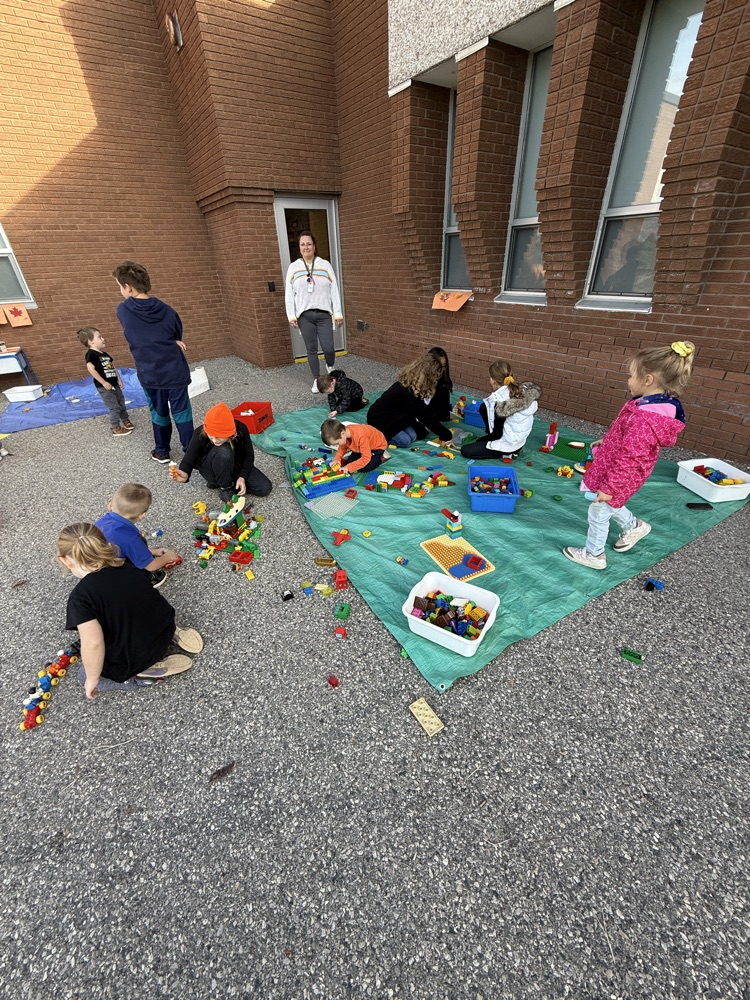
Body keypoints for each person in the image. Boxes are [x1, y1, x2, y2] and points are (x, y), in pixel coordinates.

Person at [562, 340, 696, 571]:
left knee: (599, 509)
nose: (628, 380)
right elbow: (631, 440)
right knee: (611, 504)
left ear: (648, 380)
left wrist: (609, 487)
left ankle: (594, 554)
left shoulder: (646, 418)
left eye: (631, 375)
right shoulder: (652, 405)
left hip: (623, 475)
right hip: (624, 471)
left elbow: (631, 458)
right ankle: (634, 526)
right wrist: (609, 440)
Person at [58, 522, 203, 699]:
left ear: (65, 560)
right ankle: (174, 634)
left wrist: (92, 678)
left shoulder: (80, 599)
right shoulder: (126, 566)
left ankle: (140, 676)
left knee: (83, 674)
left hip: (138, 656)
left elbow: (94, 642)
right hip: (165, 627)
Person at [112, 260, 194, 464]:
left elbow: (138, 334)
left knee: (159, 412)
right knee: (182, 412)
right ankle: (191, 452)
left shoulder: (124, 310)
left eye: (119, 286)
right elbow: (176, 333)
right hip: (175, 370)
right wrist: (172, 340)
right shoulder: (167, 310)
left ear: (127, 287)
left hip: (151, 375)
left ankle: (162, 451)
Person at [173, 402, 272, 501]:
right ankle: (226, 487)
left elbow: (248, 456)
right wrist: (185, 473)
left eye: (219, 437)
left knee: (264, 488)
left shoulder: (241, 429)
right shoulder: (199, 433)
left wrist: (242, 476)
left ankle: (226, 482)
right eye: (211, 436)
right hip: (211, 468)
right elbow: (188, 459)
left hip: (234, 466)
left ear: (230, 433)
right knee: (223, 451)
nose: (215, 440)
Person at [284, 231, 343, 393]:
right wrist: (291, 315)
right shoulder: (294, 268)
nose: (306, 247)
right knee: (311, 349)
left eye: (309, 244)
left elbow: (334, 290)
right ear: (299, 247)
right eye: (303, 244)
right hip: (305, 316)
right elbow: (289, 293)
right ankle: (317, 380)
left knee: (329, 348)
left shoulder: (325, 265)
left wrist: (338, 313)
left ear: (314, 246)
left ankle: (330, 368)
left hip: (324, 315)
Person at [96, 483, 181, 589]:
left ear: (110, 505)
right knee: (140, 543)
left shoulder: (103, 521)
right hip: (111, 573)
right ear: (142, 515)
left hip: (95, 564)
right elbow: (151, 566)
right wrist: (167, 557)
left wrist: (153, 551)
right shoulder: (130, 538)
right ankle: (146, 580)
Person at [460, 360, 541, 460]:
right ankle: (511, 448)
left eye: (490, 377)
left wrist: (483, 440)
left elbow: (497, 435)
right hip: (519, 439)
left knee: (465, 450)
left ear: (492, 380)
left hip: (508, 444)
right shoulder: (520, 389)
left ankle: (503, 453)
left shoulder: (500, 402)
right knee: (483, 407)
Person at [367, 355, 453, 447]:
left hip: (397, 417)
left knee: (413, 435)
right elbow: (424, 414)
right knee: (405, 441)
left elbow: (415, 412)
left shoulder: (414, 386)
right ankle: (376, 435)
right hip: (380, 420)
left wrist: (422, 430)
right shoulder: (406, 392)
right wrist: (446, 435)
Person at [78, 326, 134, 437]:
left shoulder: (105, 355)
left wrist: (119, 379)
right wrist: (103, 382)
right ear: (91, 341)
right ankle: (115, 427)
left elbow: (112, 367)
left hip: (114, 384)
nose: (103, 339)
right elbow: (91, 369)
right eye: (100, 337)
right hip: (104, 387)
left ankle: (125, 419)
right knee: (114, 407)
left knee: (121, 402)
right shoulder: (91, 354)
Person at [321, 418, 389, 473]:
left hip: (377, 447)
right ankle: (365, 454)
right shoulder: (345, 433)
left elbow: (365, 458)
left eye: (337, 443)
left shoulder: (361, 437)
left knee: (363, 468)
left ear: (342, 433)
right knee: (348, 463)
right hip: (360, 447)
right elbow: (342, 448)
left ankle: (382, 457)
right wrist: (337, 459)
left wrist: (349, 468)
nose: (337, 446)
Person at [425, 346, 453, 423]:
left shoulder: (443, 382)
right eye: (438, 366)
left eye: (443, 366)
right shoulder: (422, 379)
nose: (440, 369)